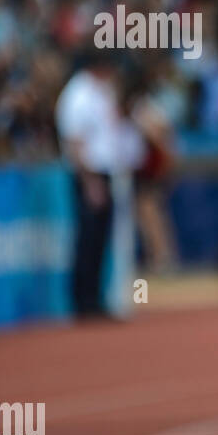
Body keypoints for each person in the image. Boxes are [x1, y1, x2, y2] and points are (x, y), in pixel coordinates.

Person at [55, 49, 143, 319]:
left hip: (103, 172)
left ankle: (95, 298)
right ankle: (83, 301)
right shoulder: (78, 94)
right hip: (89, 175)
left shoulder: (99, 91)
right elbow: (75, 142)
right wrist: (91, 181)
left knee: (100, 239)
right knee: (88, 238)